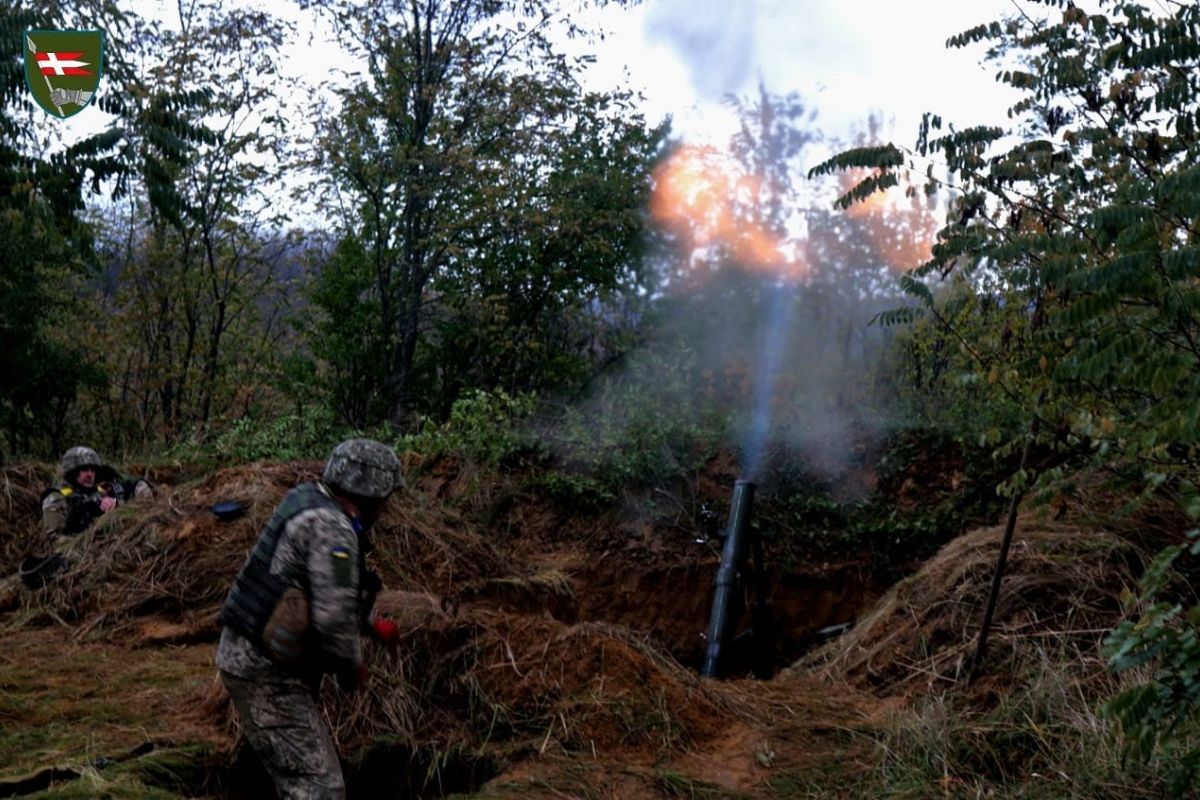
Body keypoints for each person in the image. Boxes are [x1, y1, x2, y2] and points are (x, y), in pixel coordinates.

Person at [215, 439, 404, 800]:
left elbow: (319, 587)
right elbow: (332, 621)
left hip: (254, 658)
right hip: (264, 672)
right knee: (319, 787)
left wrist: (370, 623)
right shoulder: (333, 527)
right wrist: (352, 667)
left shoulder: (309, 498)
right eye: (386, 497)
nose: (386, 506)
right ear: (370, 491)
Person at [40, 446, 153, 545]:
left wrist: (116, 503)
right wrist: (82, 542)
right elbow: (52, 539)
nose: (90, 474)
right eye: (84, 470)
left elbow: (128, 488)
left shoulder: (101, 491)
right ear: (73, 472)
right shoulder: (57, 497)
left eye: (93, 470)